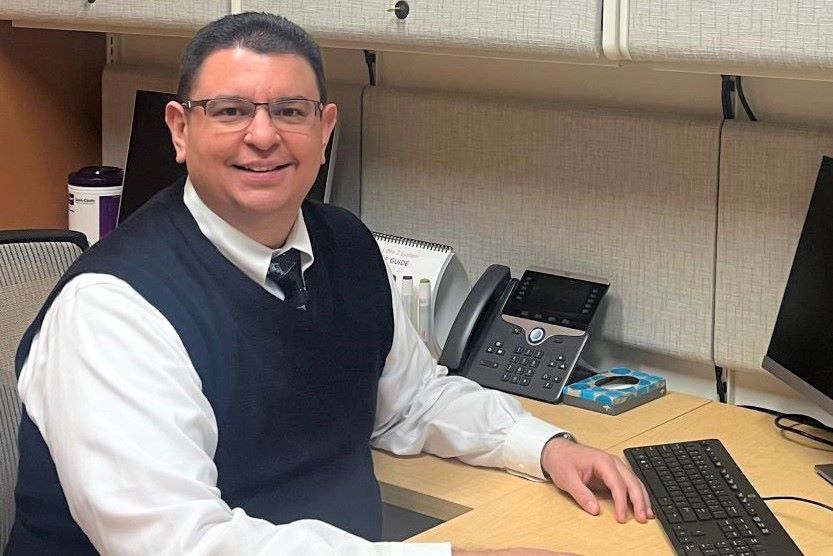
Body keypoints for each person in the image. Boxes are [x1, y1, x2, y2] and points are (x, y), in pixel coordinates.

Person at [8, 12, 652, 556]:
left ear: (325, 129)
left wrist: (545, 447)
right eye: (230, 111)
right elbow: (183, 542)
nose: (263, 135)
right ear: (179, 130)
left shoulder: (346, 246)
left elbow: (411, 401)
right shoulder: (114, 310)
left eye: (291, 111)